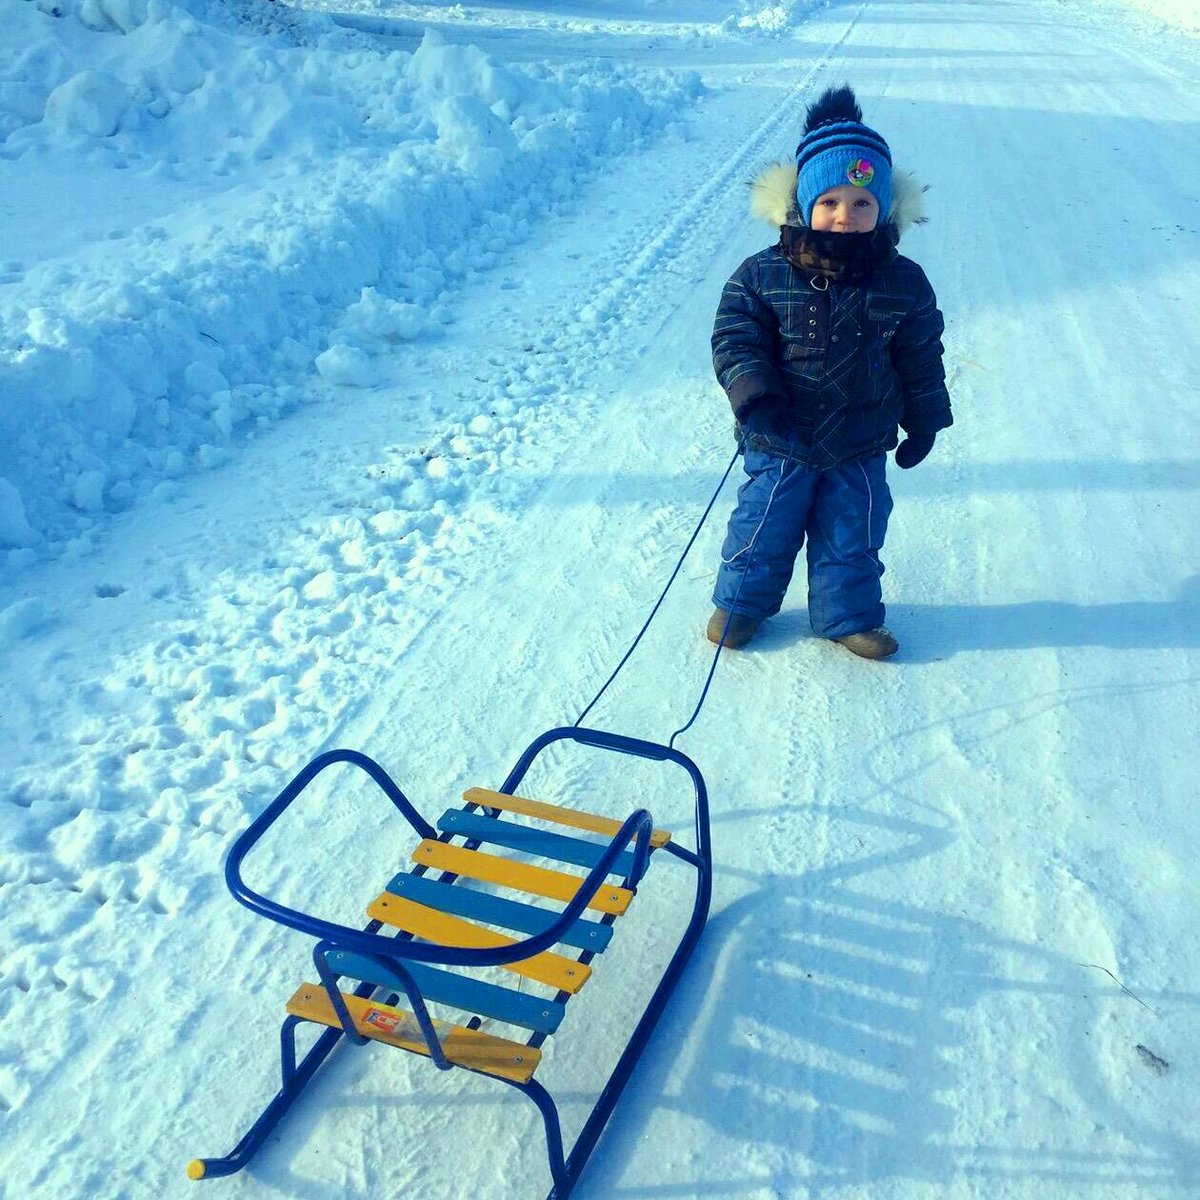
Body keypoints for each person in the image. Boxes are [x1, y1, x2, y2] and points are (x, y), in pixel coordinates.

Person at [707, 84, 952, 659]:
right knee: (763, 526)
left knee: (854, 532)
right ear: (803, 206)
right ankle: (739, 606)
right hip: (779, 433)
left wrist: (925, 418)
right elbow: (734, 335)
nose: (845, 216)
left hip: (860, 439)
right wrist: (752, 389)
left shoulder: (903, 281)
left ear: (884, 209)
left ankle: (848, 616)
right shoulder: (761, 275)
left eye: (863, 203)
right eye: (831, 202)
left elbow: (921, 353)